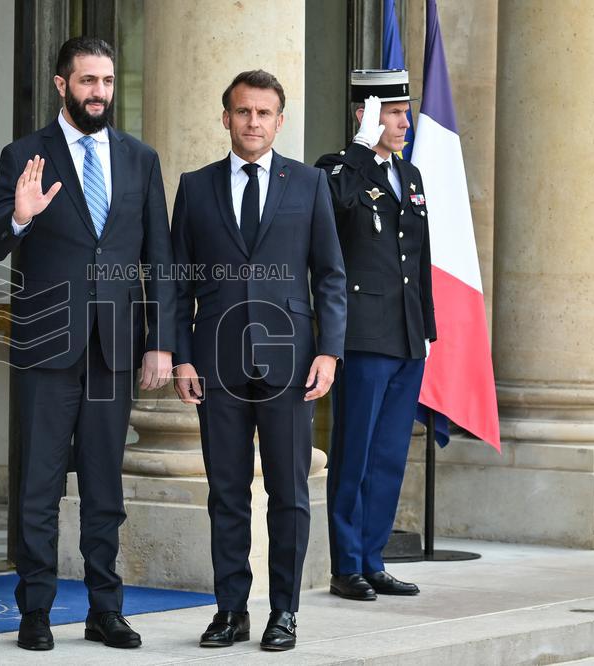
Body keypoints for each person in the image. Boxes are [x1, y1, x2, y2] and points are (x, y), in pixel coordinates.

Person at [0, 36, 175, 652]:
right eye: (88, 81)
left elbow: (160, 261)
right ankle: (34, 610)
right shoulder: (23, 155)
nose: (100, 93)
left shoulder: (140, 159)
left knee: (103, 485)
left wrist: (160, 343)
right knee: (38, 483)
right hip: (45, 345)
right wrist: (20, 216)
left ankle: (104, 609)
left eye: (108, 82)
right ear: (62, 84)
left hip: (115, 347)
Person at [171, 70, 346, 652]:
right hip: (216, 364)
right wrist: (182, 358)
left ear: (279, 119)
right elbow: (177, 283)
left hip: (291, 365)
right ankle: (230, 610)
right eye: (243, 112)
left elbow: (330, 275)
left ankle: (285, 612)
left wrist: (329, 350)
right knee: (226, 492)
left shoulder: (310, 185)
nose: (253, 123)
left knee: (289, 493)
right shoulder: (195, 188)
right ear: (226, 118)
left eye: (264, 113)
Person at [315, 69, 436, 601]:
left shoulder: (410, 175)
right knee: (355, 451)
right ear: (364, 116)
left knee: (389, 454)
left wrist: (427, 325)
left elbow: (420, 258)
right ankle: (346, 564)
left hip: (408, 335)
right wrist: (362, 145)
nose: (403, 122)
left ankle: (373, 557)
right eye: (392, 112)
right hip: (363, 337)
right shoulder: (338, 169)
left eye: (404, 111)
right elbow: (333, 206)